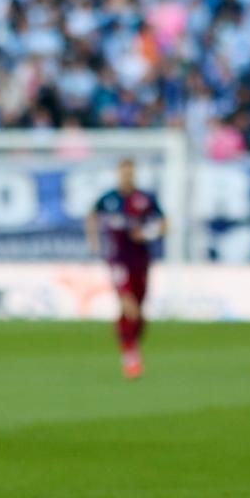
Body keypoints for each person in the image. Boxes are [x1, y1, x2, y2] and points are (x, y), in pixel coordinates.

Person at [85, 158, 165, 379]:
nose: (127, 176)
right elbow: (92, 216)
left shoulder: (145, 199)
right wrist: (94, 242)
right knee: (130, 306)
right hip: (118, 259)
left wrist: (147, 233)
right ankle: (131, 355)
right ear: (119, 174)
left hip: (140, 259)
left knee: (139, 311)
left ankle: (126, 336)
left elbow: (164, 223)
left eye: (131, 173)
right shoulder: (110, 199)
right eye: (124, 173)